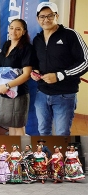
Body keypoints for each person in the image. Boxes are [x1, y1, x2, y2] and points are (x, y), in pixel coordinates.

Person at [32, 2, 88, 136]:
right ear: (37, 19)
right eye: (42, 16)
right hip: (42, 93)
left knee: (62, 134)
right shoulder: (37, 39)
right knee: (43, 132)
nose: (46, 19)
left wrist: (59, 75)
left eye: (50, 15)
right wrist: (35, 71)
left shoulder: (70, 34)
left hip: (64, 95)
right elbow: (36, 61)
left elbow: (85, 61)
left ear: (57, 16)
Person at [0, 19, 34, 135]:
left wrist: (7, 85)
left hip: (18, 93)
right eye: (11, 28)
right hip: (5, 91)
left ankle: (22, 152)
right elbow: (3, 67)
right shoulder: (7, 44)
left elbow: (27, 74)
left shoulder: (27, 48)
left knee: (18, 127)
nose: (14, 31)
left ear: (24, 32)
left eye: (18, 29)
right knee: (11, 126)